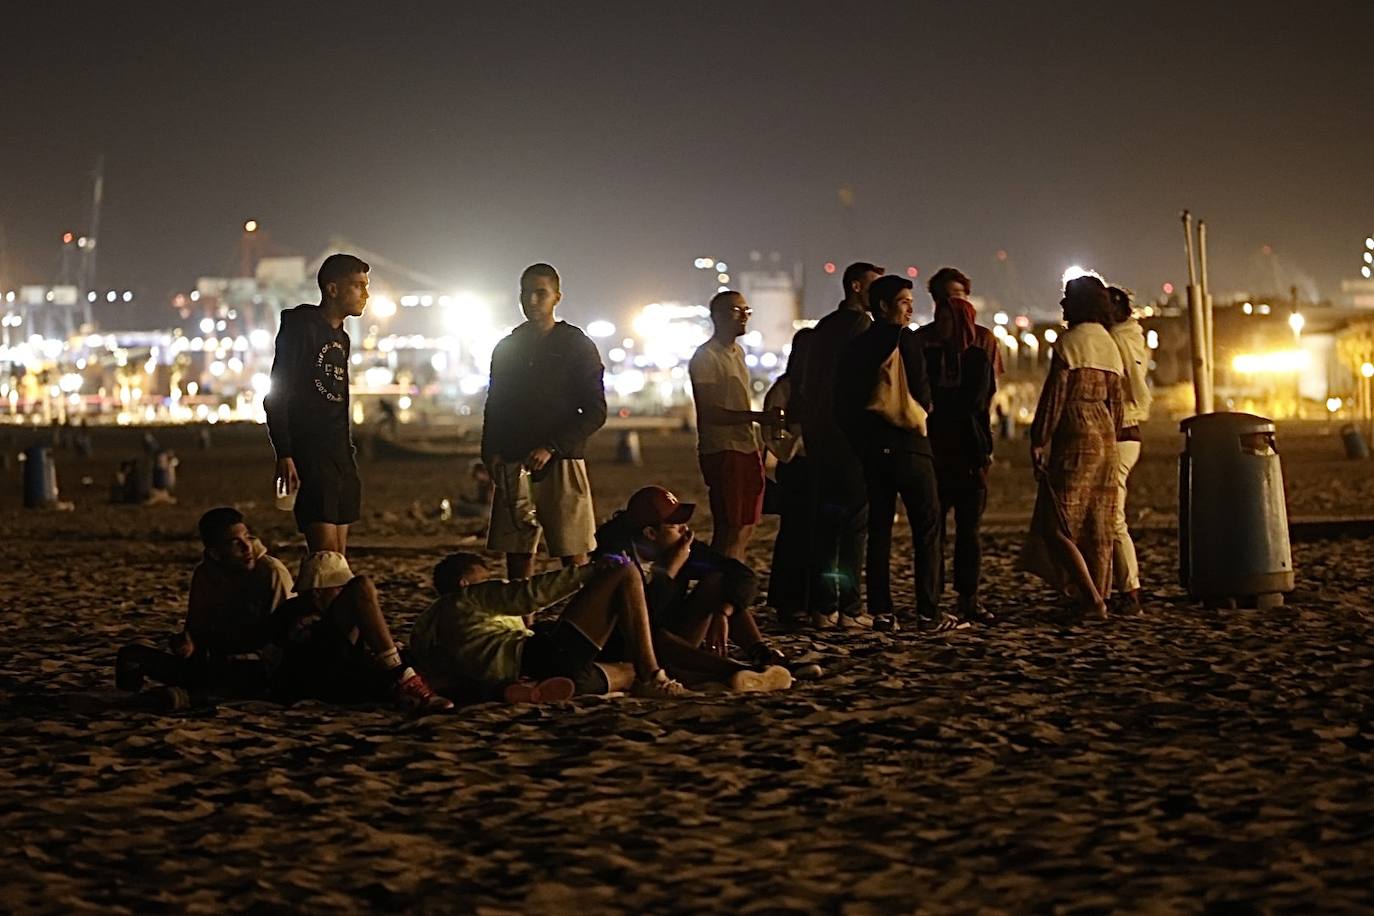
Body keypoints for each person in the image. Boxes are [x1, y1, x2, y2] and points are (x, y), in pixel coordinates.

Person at [837, 275, 966, 633]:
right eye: (904, 301)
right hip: (910, 446)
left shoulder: (857, 345)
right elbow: (923, 396)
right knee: (927, 528)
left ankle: (882, 612)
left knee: (879, 530)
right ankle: (928, 612)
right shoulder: (905, 340)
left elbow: (842, 402)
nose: (910, 307)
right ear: (883, 306)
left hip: (872, 449)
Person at [411, 553, 696, 700]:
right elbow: (528, 595)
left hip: (532, 673)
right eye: (485, 578)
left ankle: (724, 675)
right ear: (464, 582)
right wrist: (590, 570)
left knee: (627, 669)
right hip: (537, 656)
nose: (491, 583)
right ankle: (655, 677)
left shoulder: (428, 625)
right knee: (625, 571)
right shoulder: (467, 598)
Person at [592, 486, 793, 689]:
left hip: (674, 634)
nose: (684, 529)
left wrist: (723, 612)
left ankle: (762, 656)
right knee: (661, 638)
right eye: (675, 525)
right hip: (630, 648)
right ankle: (737, 671)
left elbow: (740, 574)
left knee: (717, 582)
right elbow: (642, 619)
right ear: (651, 533)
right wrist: (670, 570)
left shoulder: (679, 546)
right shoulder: (616, 558)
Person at [481, 263, 606, 580]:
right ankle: (523, 625)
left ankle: (582, 621)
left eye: (541, 293)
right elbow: (495, 405)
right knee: (517, 553)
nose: (532, 301)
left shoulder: (576, 345)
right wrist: (491, 453)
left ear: (557, 297)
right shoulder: (507, 347)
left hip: (562, 462)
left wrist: (552, 447)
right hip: (512, 459)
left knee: (573, 551)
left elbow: (594, 410)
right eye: (526, 293)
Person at [1021, 276, 1124, 620]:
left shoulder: (1070, 343)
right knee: (1098, 524)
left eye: (1066, 299)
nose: (1062, 305)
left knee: (1057, 523)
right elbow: (1118, 403)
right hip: (1107, 437)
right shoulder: (1110, 344)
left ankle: (1092, 599)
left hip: (1077, 437)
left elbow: (1055, 397)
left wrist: (1039, 439)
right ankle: (1093, 592)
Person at [115, 507, 293, 698]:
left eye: (247, 537)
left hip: (259, 666)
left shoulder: (271, 572)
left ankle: (189, 695)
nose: (247, 547)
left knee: (221, 678)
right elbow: (196, 630)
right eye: (235, 543)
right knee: (131, 655)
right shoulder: (206, 574)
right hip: (214, 660)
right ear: (215, 554)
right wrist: (188, 645)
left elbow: (285, 640)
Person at [791, 262, 882, 628]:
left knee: (827, 526)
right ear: (857, 287)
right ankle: (849, 609)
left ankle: (823, 607)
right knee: (854, 527)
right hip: (849, 440)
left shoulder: (823, 326)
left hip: (822, 439)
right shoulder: (861, 326)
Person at [265, 253, 370, 555]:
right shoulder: (301, 327)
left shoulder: (342, 337)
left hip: (340, 453)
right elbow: (278, 392)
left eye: (366, 286)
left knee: (338, 557)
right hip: (310, 453)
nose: (365, 294)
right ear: (333, 289)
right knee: (324, 557)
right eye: (357, 286)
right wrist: (285, 453)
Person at [912, 267, 1001, 624]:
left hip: (967, 448)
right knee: (933, 529)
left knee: (969, 530)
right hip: (933, 448)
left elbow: (980, 401)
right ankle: (931, 600)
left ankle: (969, 596)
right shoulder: (923, 344)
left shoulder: (980, 349)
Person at [270, 551, 454, 711]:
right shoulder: (294, 613)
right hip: (318, 678)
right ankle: (403, 679)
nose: (344, 594)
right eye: (340, 588)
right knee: (362, 586)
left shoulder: (331, 619)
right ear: (318, 592)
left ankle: (406, 682)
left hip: (344, 676)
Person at [688, 290, 779, 562]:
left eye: (746, 311)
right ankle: (720, 590)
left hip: (746, 446)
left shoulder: (737, 353)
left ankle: (730, 588)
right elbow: (709, 411)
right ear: (716, 316)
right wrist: (757, 417)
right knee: (729, 527)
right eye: (735, 311)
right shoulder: (706, 357)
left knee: (747, 525)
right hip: (722, 448)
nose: (743, 317)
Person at [1107, 286, 1152, 615]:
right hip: (1127, 433)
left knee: (1113, 517)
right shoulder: (1130, 336)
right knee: (1111, 515)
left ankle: (1130, 589)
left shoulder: (1119, 341)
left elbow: (1135, 388)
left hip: (1121, 433)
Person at [763, 330, 813, 629]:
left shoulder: (819, 386)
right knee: (795, 536)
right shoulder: (786, 388)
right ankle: (789, 602)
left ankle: (805, 600)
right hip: (798, 469)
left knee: (811, 536)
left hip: (816, 468)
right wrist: (796, 446)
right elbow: (774, 433)